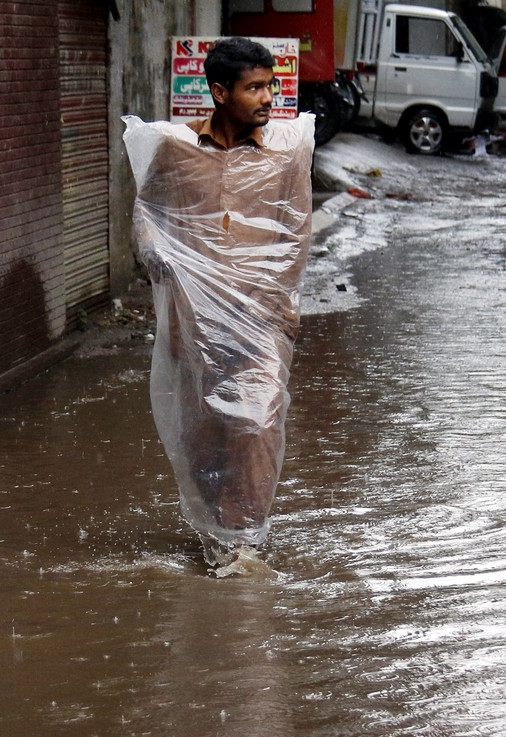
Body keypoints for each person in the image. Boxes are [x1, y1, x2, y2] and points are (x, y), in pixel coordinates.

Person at [122, 37, 314, 574]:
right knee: (203, 432)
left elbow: (295, 233)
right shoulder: (174, 148)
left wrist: (276, 303)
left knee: (255, 424)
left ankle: (245, 543)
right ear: (219, 91)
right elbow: (148, 215)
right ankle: (215, 533)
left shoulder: (288, 149)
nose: (267, 97)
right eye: (254, 87)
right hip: (194, 319)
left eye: (271, 85)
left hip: (261, 319)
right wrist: (167, 263)